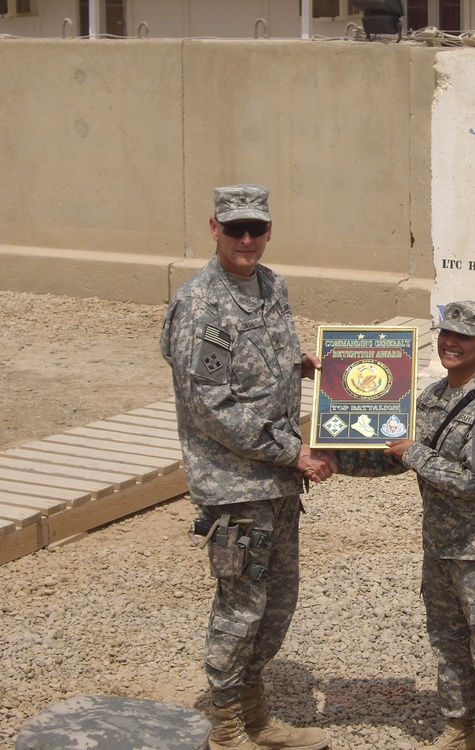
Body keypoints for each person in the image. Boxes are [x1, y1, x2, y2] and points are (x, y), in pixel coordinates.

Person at [161, 184, 336, 750]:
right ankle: (227, 723)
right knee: (241, 603)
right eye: (234, 228)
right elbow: (210, 406)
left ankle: (257, 713)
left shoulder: (271, 285)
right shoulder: (201, 304)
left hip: (276, 482)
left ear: (268, 230)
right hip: (234, 483)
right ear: (213, 228)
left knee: (278, 599)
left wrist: (305, 365)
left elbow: (268, 360)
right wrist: (295, 453)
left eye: (255, 229)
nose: (245, 239)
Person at [336, 301, 475, 750]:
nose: (451, 342)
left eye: (464, 337)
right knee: (448, 646)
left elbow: (473, 484)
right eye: (446, 332)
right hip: (442, 549)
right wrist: (334, 459)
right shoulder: (430, 397)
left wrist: (413, 453)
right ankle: (459, 729)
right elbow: (399, 457)